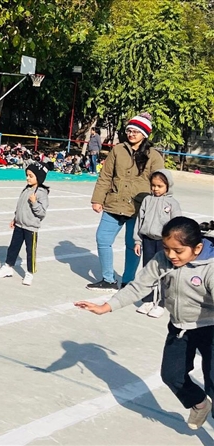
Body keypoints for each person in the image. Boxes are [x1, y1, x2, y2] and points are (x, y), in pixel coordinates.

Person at [75, 217, 214, 431]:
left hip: (210, 328)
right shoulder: (162, 260)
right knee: (171, 375)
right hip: (180, 327)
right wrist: (106, 307)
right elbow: (138, 287)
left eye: (178, 251)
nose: (171, 255)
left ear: (197, 248)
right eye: (166, 248)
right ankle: (199, 403)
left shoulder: (210, 268)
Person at [88, 112, 164, 291]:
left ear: (144, 134)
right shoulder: (118, 150)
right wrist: (97, 199)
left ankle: (128, 281)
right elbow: (106, 176)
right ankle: (108, 279)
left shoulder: (154, 156)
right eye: (129, 130)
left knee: (133, 245)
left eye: (135, 132)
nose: (131, 134)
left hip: (139, 208)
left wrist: (156, 206)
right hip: (114, 204)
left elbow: (161, 182)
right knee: (102, 238)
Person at [133, 169, 183, 317]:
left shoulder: (172, 203)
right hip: (147, 241)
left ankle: (161, 303)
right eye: (153, 185)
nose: (155, 189)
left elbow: (177, 225)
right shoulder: (147, 200)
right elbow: (139, 221)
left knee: (163, 272)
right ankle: (148, 300)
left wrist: (174, 245)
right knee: (148, 271)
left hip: (164, 243)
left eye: (159, 186)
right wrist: (137, 241)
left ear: (168, 186)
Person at [0, 162, 50, 286]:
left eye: (31, 176)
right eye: (27, 175)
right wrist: (15, 218)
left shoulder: (41, 193)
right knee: (13, 247)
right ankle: (8, 266)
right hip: (19, 225)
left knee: (30, 251)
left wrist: (34, 202)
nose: (27, 178)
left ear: (39, 177)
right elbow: (20, 206)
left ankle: (30, 273)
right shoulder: (26, 189)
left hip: (31, 227)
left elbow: (42, 213)